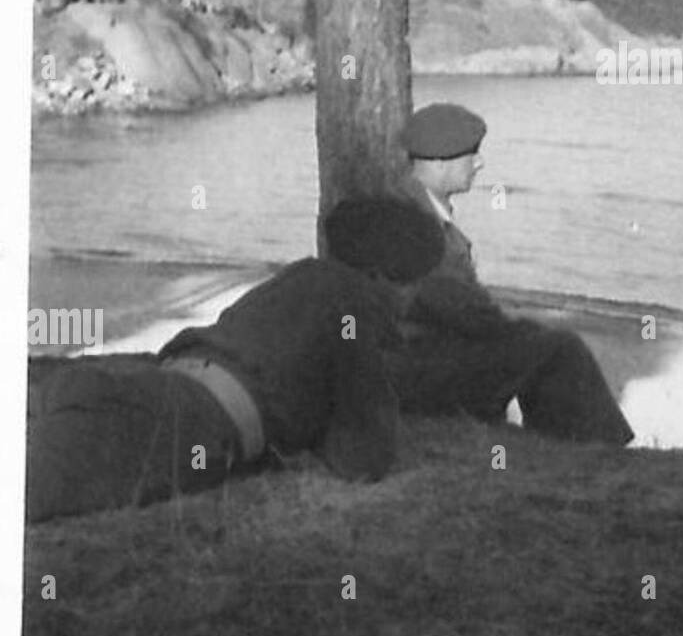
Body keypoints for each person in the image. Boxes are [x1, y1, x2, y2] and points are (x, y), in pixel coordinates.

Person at [25, 199, 444, 523]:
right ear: (379, 277)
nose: (413, 299)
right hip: (185, 422)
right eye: (412, 285)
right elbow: (364, 458)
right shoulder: (355, 304)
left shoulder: (301, 278)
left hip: (138, 388)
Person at [391, 101, 635, 446]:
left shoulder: (411, 206)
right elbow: (454, 304)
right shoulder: (413, 223)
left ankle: (570, 443)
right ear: (440, 161)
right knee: (559, 347)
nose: (480, 163)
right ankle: (594, 447)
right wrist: (515, 329)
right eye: (471, 154)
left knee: (541, 344)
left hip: (423, 361)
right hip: (421, 371)